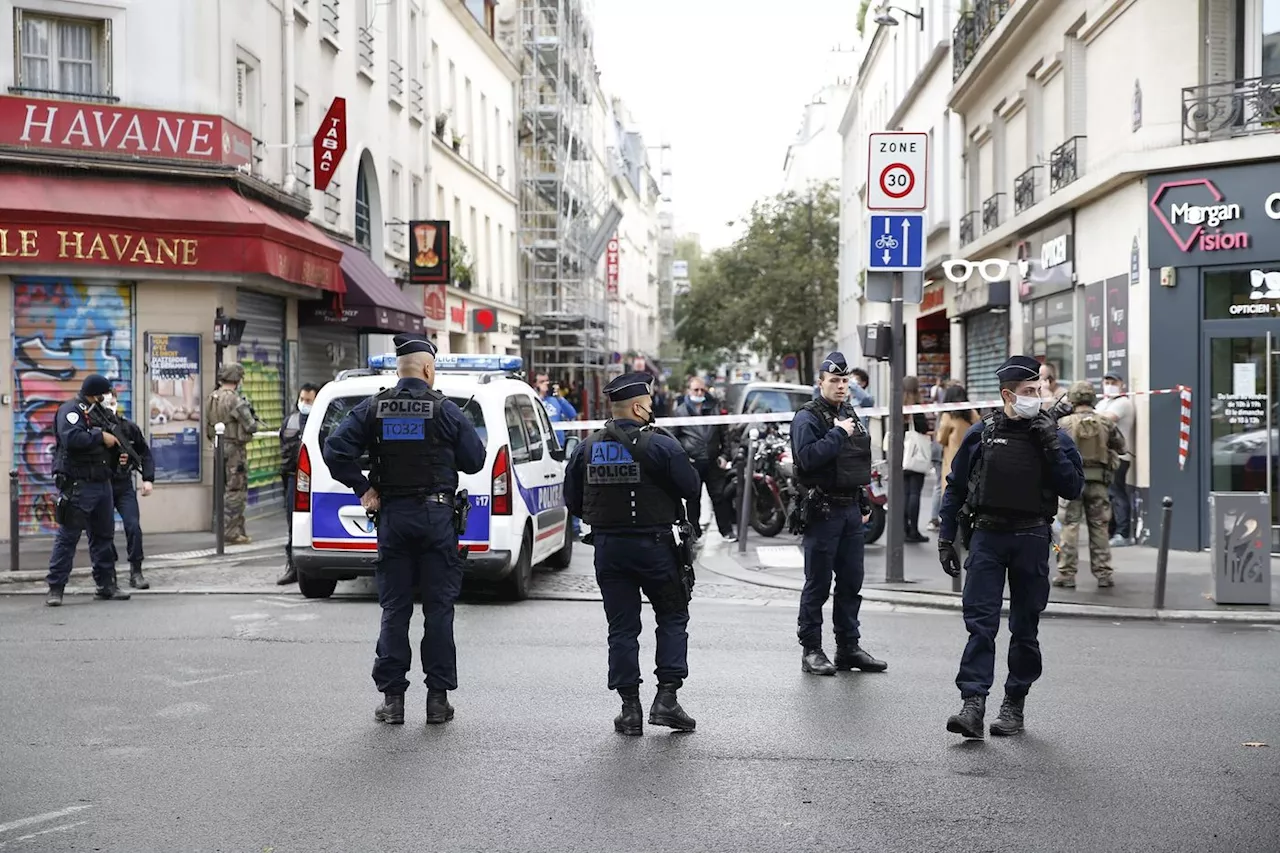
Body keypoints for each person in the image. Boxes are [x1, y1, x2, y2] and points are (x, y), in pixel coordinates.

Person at [323, 334, 486, 726]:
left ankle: (393, 702)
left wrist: (364, 487)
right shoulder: (444, 409)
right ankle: (437, 701)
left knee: (394, 609)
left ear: (400, 369)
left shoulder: (375, 408)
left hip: (393, 518)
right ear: (429, 369)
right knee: (438, 610)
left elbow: (334, 448)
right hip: (436, 519)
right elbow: (476, 461)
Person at [937, 355, 1084, 739]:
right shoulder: (982, 433)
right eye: (1028, 392)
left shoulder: (1054, 435)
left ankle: (1013, 704)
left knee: (1025, 628)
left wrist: (1051, 444)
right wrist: (945, 538)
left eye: (1039, 390)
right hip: (987, 536)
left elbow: (1073, 488)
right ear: (1007, 394)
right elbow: (955, 487)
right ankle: (973, 705)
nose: (1037, 397)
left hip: (1032, 537)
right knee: (980, 626)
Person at [564, 372, 702, 735]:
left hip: (609, 550)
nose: (652, 410)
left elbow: (573, 501)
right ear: (639, 407)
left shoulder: (587, 447)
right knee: (672, 616)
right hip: (656, 547)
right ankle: (667, 699)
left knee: (621, 628)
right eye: (650, 405)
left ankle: (629, 710)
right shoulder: (662, 445)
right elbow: (690, 487)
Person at [790, 352, 888, 677]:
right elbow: (806, 458)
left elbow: (854, 461)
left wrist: (861, 502)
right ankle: (811, 650)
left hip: (848, 508)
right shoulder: (808, 417)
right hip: (822, 509)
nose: (841, 386)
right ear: (820, 383)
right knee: (817, 584)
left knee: (851, 583)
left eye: (845, 380)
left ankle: (848, 647)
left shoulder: (848, 411)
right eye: (834, 380)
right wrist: (838, 434)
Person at [44, 374, 131, 606]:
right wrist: (100, 436)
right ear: (95, 393)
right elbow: (72, 438)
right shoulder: (72, 410)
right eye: (103, 394)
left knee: (103, 537)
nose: (106, 398)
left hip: (102, 484)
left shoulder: (100, 413)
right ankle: (56, 588)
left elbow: (111, 444)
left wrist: (119, 455)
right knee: (68, 537)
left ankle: (106, 585)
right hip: (78, 484)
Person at [1054, 381, 1126, 589]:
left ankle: (1066, 574)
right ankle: (1104, 574)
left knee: (1070, 526)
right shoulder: (1105, 423)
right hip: (1099, 483)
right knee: (1099, 527)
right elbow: (1122, 447)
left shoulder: (1064, 423)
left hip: (1072, 483)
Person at [205, 363, 265, 545]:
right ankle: (232, 532)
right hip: (235, 451)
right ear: (237, 379)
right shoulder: (234, 400)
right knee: (236, 490)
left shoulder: (212, 397)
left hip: (218, 446)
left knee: (224, 489)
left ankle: (228, 528)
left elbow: (208, 425)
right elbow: (250, 425)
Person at [670, 377, 736, 541]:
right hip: (693, 462)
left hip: (713, 461)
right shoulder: (680, 412)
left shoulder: (715, 409)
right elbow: (673, 439)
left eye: (702, 390)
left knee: (719, 497)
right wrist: (684, 459)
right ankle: (694, 532)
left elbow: (724, 435)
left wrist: (724, 455)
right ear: (689, 391)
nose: (699, 393)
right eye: (696, 390)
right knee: (693, 499)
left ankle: (726, 530)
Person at [102, 392, 155, 590]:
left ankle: (136, 571)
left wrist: (148, 479)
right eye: (104, 400)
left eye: (111, 400)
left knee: (133, 526)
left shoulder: (128, 428)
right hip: (102, 484)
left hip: (123, 484)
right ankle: (109, 572)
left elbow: (145, 453)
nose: (109, 404)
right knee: (104, 531)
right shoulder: (94, 427)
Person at [277, 383, 321, 586]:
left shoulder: (320, 418)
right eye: (302, 399)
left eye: (309, 400)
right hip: (294, 477)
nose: (304, 403)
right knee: (293, 524)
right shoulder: (291, 421)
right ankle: (293, 567)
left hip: (317, 478)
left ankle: (309, 568)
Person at [1097, 372, 1137, 547]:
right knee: (1108, 496)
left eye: (1113, 381)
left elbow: (1105, 420)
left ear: (1122, 384)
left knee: (1117, 493)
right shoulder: (1104, 402)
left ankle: (1123, 533)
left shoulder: (1123, 403)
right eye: (1107, 381)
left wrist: (1090, 416)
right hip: (1105, 456)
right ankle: (1112, 531)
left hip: (1119, 455)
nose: (1109, 384)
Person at [935, 385, 980, 509]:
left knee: (951, 495)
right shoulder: (972, 413)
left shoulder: (948, 416)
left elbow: (940, 439)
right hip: (971, 458)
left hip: (952, 460)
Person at [900, 375, 932, 543]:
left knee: (904, 493)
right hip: (915, 455)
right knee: (914, 493)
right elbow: (923, 428)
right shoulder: (916, 408)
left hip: (901, 455)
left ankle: (903, 529)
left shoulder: (897, 406)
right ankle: (913, 530)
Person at [849, 367, 874, 431]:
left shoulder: (867, 399)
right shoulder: (845, 399)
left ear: (863, 383)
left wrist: (852, 384)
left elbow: (866, 398)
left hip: (860, 436)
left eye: (854, 380)